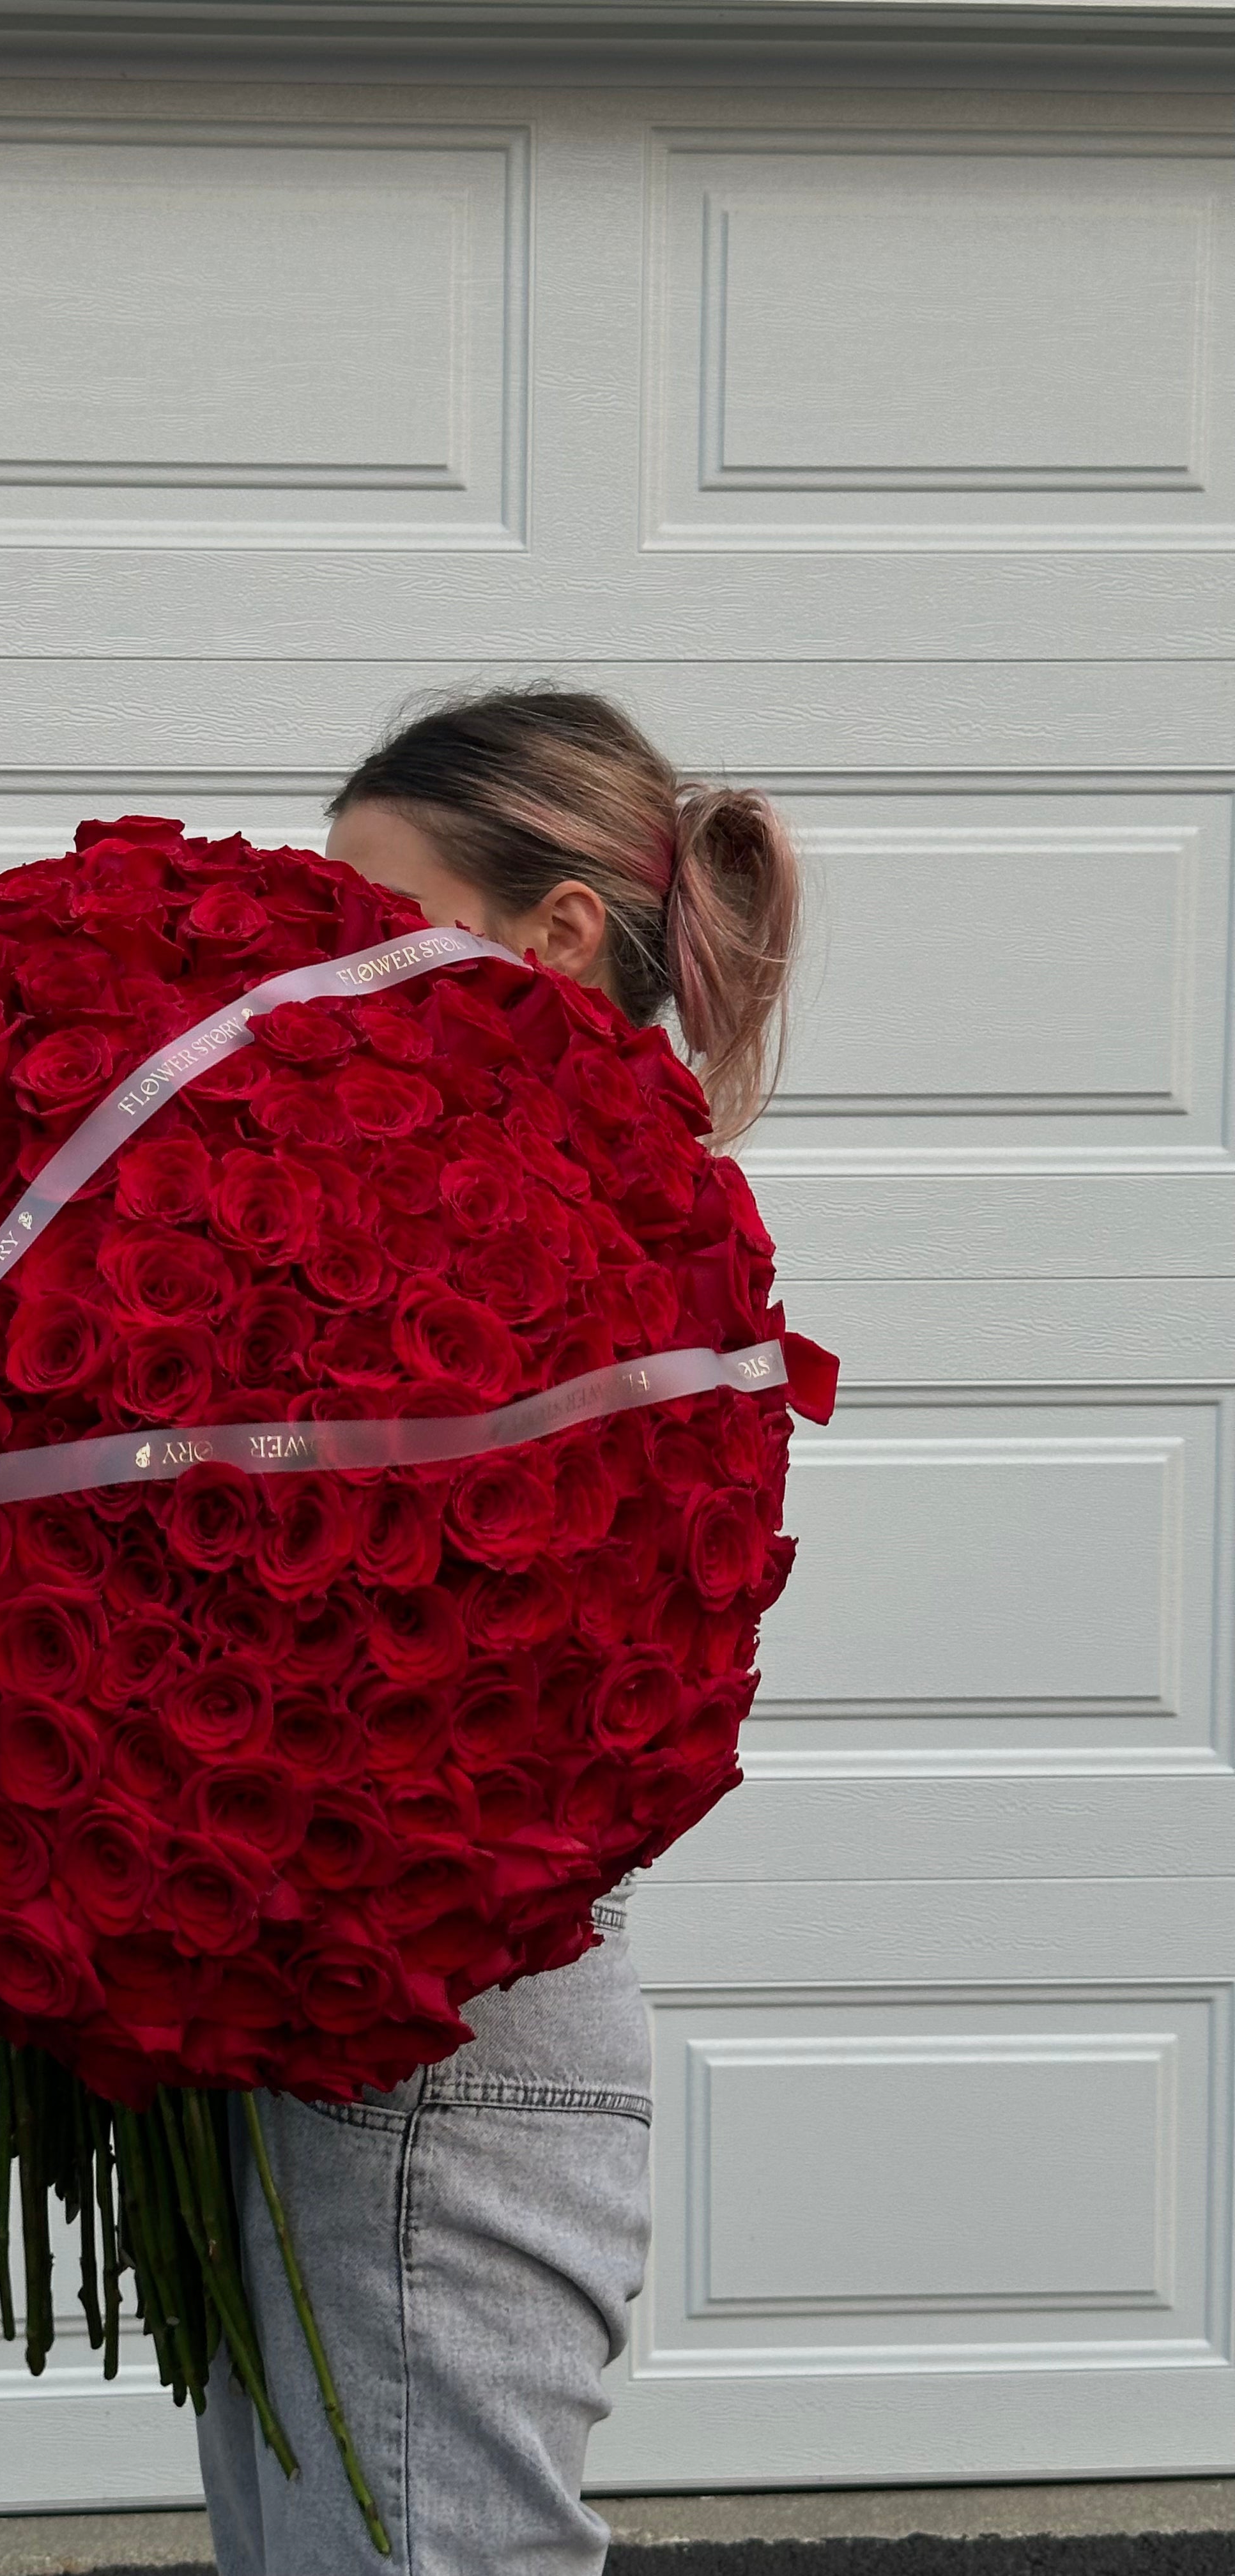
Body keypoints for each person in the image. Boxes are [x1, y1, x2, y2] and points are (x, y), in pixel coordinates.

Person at [193, 685, 802, 2576]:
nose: (329, 965)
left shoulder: (580, 1245)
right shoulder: (425, 1204)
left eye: (377, 915)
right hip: (340, 2025)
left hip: (436, 2056)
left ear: (550, 933)